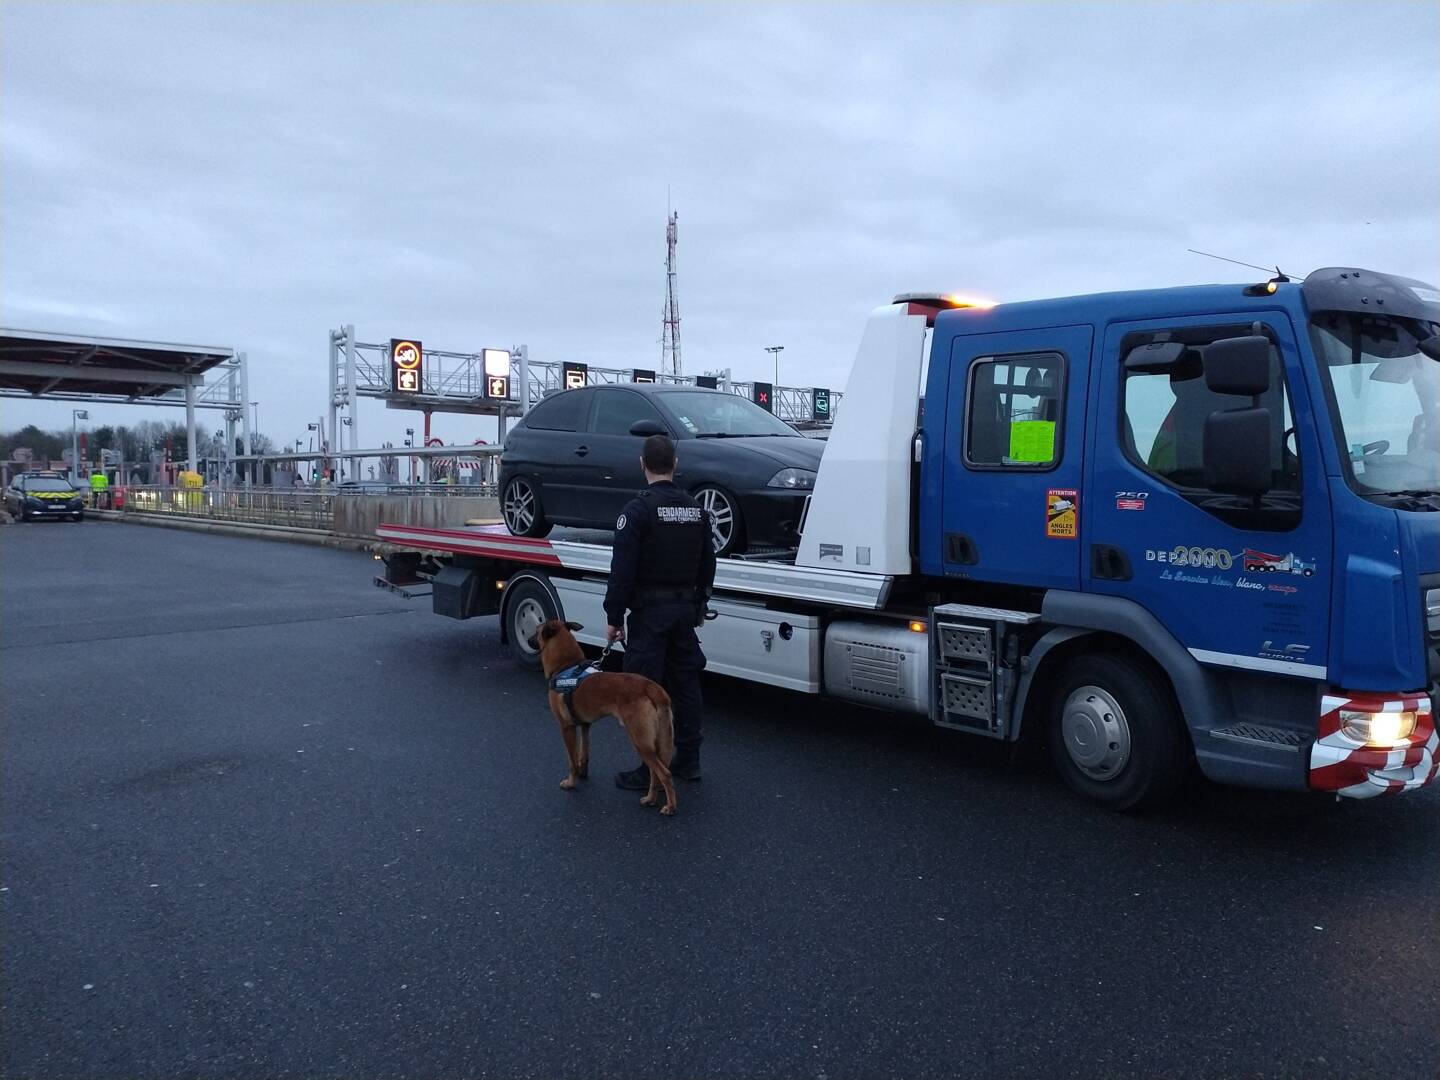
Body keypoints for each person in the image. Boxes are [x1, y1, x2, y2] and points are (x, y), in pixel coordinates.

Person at [606, 434, 716, 788]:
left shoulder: (637, 511)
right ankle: (690, 760)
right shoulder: (696, 509)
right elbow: (707, 564)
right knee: (686, 686)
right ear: (675, 465)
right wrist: (699, 602)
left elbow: (622, 570)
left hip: (649, 616)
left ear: (642, 465)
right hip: (683, 612)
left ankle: (648, 768)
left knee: (644, 693)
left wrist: (614, 616)